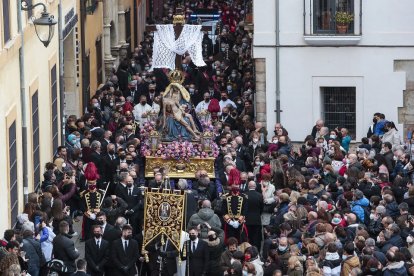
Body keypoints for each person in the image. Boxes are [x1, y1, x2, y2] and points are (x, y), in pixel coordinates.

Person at [244, 181, 263, 251]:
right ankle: (256, 252)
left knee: (248, 237)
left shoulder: (244, 195)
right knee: (256, 237)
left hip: (247, 220)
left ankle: (248, 251)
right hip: (256, 220)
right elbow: (261, 208)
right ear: (255, 186)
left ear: (248, 186)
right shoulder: (260, 195)